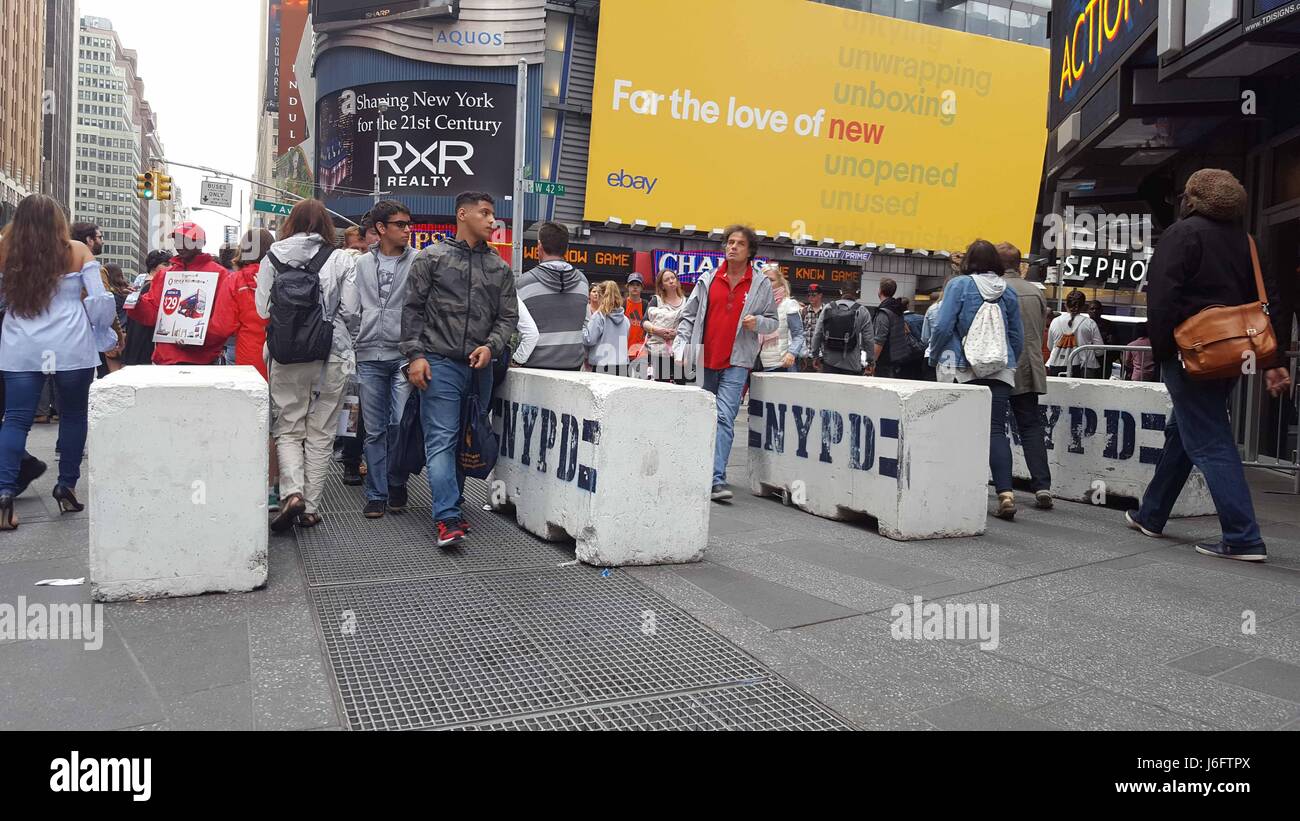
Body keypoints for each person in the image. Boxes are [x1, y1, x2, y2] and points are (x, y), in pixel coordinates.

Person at [1129, 169, 1293, 562]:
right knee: (1184, 432)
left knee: (1210, 439)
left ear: (1193, 199)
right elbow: (1270, 301)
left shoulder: (1181, 235)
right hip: (1233, 356)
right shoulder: (1247, 243)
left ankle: (1242, 537)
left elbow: (1163, 298)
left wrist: (1165, 350)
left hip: (1192, 354)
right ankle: (1151, 514)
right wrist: (1274, 359)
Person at [401, 192, 517, 549]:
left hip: (480, 367)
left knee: (468, 437)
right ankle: (447, 517)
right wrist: (415, 356)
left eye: (493, 214)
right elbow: (411, 311)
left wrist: (491, 347)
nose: (491, 220)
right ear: (462, 214)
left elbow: (508, 318)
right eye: (484, 213)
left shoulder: (499, 268)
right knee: (442, 440)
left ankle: (452, 505)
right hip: (439, 363)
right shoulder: (431, 258)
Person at [0, 195, 117, 527]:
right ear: (58, 221)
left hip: (20, 346)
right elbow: (98, 300)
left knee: (15, 420)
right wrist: (103, 334)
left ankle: (4, 493)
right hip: (70, 346)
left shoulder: (6, 251)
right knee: (74, 415)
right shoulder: (78, 251)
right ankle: (66, 486)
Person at [257, 199, 358, 533]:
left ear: (291, 223)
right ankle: (310, 508)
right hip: (333, 352)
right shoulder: (341, 258)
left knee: (287, 427)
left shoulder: (272, 257)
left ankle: (292, 493)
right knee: (322, 430)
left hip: (285, 354)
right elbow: (353, 312)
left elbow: (261, 310)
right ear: (327, 225)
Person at [672, 224, 778, 502]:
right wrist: (681, 345)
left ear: (750, 251)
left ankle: (716, 479)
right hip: (704, 359)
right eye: (730, 242)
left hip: (737, 361)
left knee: (724, 417)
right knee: (701, 416)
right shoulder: (708, 279)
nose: (732, 247)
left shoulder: (760, 284)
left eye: (739, 244)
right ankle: (696, 470)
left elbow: (773, 321)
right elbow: (688, 316)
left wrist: (758, 323)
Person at [927, 239, 1024, 521]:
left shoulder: (959, 285)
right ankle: (1006, 493)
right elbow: (1017, 337)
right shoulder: (1008, 291)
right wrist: (1004, 360)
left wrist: (934, 355)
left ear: (968, 260)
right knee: (996, 431)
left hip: (964, 368)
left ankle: (960, 489)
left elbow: (944, 325)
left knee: (961, 430)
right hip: (1001, 370)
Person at [340, 199, 419, 520]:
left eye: (408, 224)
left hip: (403, 355)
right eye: (400, 224)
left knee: (399, 424)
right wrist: (362, 334)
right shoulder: (360, 265)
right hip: (369, 355)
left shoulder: (418, 261)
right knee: (373, 430)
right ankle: (376, 493)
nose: (407, 230)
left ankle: (397, 482)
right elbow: (349, 309)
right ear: (381, 229)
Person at [125, 222, 238, 366]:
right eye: (177, 239)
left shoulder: (219, 274)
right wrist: (136, 300)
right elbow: (153, 313)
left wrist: (197, 339)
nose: (181, 244)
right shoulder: (165, 275)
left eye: (187, 240)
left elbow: (224, 319)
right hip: (166, 359)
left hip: (202, 360)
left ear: (200, 243)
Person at [998, 241, 1053, 510]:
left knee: (996, 429)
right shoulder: (1035, 291)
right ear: (1018, 264)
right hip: (1030, 367)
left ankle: (1004, 488)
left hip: (1000, 369)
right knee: (1031, 427)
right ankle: (1042, 486)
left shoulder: (994, 290)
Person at [227, 228, 277, 510]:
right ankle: (277, 487)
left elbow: (227, 324)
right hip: (282, 354)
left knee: (253, 421)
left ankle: (252, 480)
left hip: (249, 355)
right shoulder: (281, 271)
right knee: (281, 425)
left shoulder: (236, 280)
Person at [516, 221, 589, 370]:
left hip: (534, 368)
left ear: (539, 247)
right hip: (573, 367)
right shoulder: (583, 282)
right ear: (566, 249)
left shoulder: (524, 283)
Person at [121, 250, 170, 366]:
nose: (170, 268)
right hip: (146, 340)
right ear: (153, 266)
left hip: (135, 339)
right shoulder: (152, 286)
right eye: (165, 264)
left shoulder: (139, 284)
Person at [757, 264, 807, 373]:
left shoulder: (789, 305)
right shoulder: (755, 305)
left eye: (771, 280)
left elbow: (798, 334)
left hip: (781, 364)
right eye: (764, 280)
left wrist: (792, 353)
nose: (767, 283)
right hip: (756, 364)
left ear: (780, 282)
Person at [812, 288, 873, 376]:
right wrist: (870, 361)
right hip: (852, 365)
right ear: (856, 294)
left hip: (829, 362)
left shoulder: (828, 307)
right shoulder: (863, 311)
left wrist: (815, 356)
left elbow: (817, 333)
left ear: (841, 292)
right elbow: (869, 339)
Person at [872, 279, 925, 380]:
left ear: (880, 291)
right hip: (897, 361)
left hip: (884, 363)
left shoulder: (884, 313)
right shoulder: (897, 310)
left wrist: (871, 363)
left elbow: (879, 340)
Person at [644, 269, 688, 383]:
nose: (671, 281)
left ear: (678, 281)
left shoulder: (686, 302)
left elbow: (690, 324)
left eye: (673, 278)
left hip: (680, 352)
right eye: (667, 280)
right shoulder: (656, 300)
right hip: (659, 351)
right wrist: (657, 330)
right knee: (661, 385)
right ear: (662, 285)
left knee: (680, 386)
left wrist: (677, 334)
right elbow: (644, 322)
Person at [1046, 290, 1103, 378]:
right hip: (1085, 368)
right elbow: (1100, 351)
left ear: (1065, 305)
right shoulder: (1090, 323)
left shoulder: (1055, 321)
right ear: (1083, 307)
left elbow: (1050, 346)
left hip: (1057, 366)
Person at [583, 280, 630, 375]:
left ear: (601, 296)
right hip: (623, 367)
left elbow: (589, 340)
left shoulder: (599, 316)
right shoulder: (625, 319)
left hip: (602, 367)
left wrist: (582, 328)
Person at [624, 273, 649, 378]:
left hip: (640, 352)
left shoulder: (646, 305)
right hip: (624, 351)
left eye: (637, 285)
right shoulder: (622, 303)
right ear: (628, 287)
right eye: (632, 284)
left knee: (639, 382)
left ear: (641, 288)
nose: (634, 287)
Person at [801, 284, 825, 370]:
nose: (810, 297)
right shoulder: (804, 311)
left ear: (820, 295)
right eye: (809, 295)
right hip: (806, 357)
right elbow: (800, 333)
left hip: (822, 357)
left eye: (813, 295)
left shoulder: (827, 311)